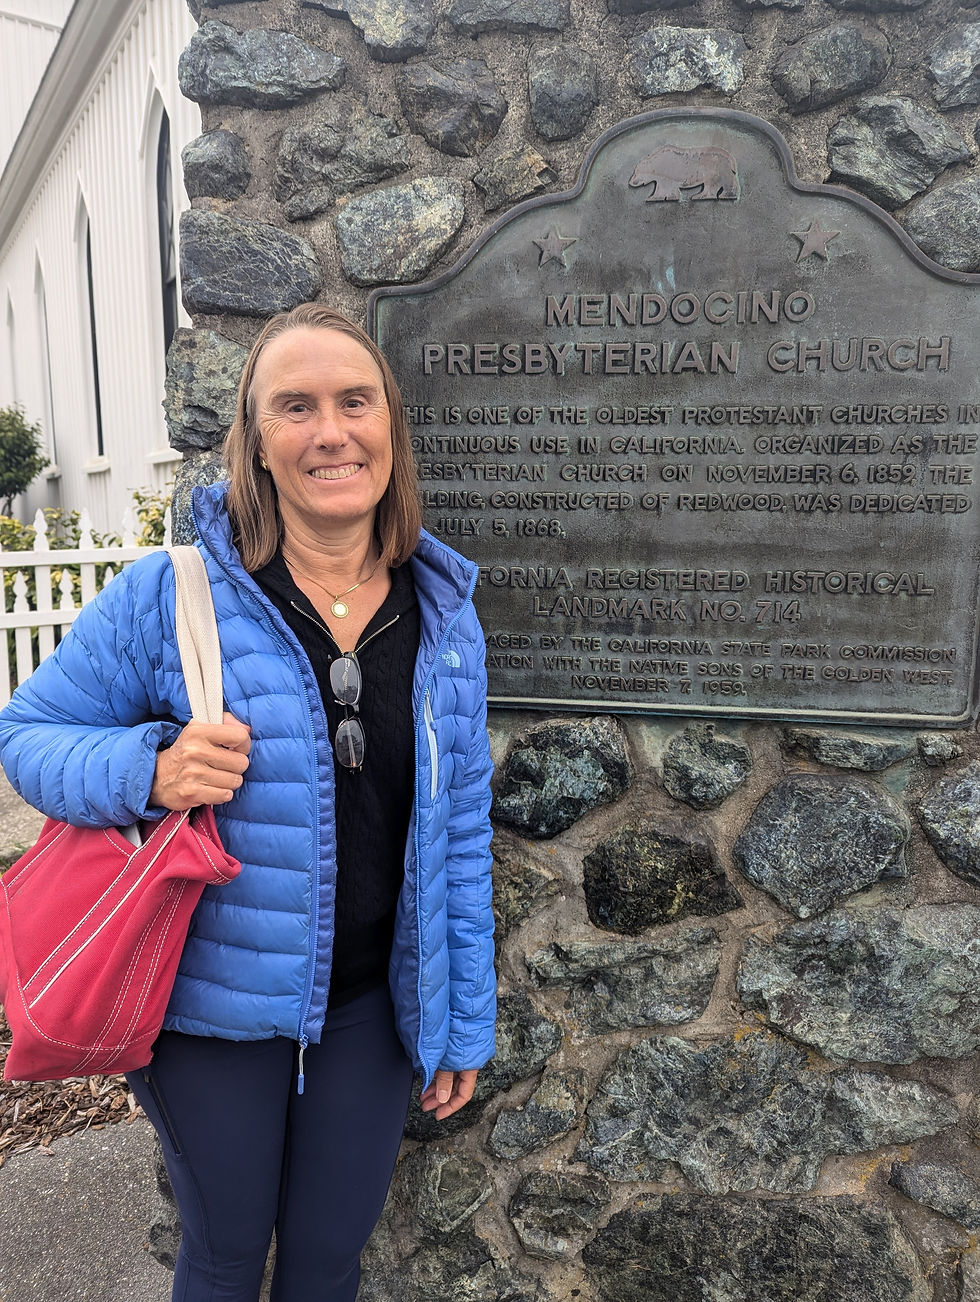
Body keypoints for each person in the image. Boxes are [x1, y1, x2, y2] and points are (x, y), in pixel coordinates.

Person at [0, 303, 496, 1302]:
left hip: (367, 1015)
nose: (329, 431)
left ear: (389, 429)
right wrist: (150, 768)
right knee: (226, 1258)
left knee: (325, 1263)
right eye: (295, 407)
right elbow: (27, 739)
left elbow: (459, 836)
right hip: (209, 1013)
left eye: (354, 402)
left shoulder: (442, 612)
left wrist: (458, 1021)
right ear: (257, 442)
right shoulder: (172, 594)